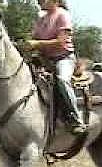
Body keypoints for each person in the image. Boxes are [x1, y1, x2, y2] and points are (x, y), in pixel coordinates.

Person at [25, 0, 86, 134]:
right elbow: (34, 39)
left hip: (63, 58)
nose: (39, 1)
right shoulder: (41, 19)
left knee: (62, 80)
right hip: (45, 60)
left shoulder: (62, 15)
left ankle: (75, 118)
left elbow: (61, 42)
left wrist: (37, 43)